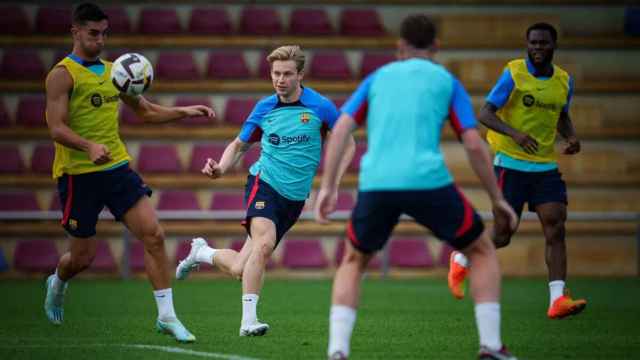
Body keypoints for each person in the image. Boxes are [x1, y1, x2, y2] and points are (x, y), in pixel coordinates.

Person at [315, 14, 519, 360]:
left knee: (353, 259)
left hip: (378, 184)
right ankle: (491, 346)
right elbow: (472, 143)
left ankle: (337, 351)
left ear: (400, 47)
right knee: (481, 251)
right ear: (436, 46)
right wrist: (497, 198)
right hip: (429, 183)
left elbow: (341, 129)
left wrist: (328, 187)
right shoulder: (447, 81)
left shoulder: (377, 79)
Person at [43, 2, 214, 342]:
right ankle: (58, 281)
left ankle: (167, 316)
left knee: (155, 236)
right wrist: (88, 146)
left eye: (104, 34)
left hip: (117, 170)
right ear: (75, 32)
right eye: (93, 34)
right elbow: (55, 128)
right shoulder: (61, 75)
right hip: (78, 175)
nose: (100, 41)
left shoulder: (116, 71)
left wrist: (185, 111)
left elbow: (146, 112)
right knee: (82, 258)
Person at [175, 45, 356, 337]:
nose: (280, 80)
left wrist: (332, 186)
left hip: (295, 198)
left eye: (286, 74)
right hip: (264, 183)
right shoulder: (264, 108)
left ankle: (202, 252)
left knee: (238, 268)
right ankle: (248, 321)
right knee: (264, 243)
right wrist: (220, 168)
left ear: (300, 75)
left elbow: (348, 144)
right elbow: (238, 145)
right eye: (275, 73)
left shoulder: (320, 107)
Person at [447, 22, 587, 320]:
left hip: (545, 165)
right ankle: (460, 258)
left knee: (556, 225)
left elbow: (561, 115)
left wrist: (570, 136)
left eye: (543, 43)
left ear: (554, 46)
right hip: (510, 163)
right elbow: (485, 113)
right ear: (527, 44)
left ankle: (558, 298)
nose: (537, 48)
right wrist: (516, 134)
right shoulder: (514, 72)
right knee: (503, 233)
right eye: (533, 43)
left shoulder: (564, 81)